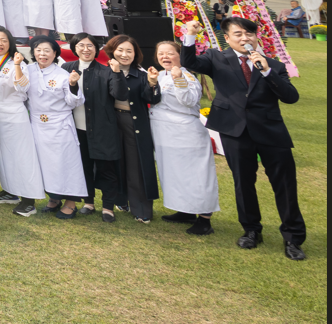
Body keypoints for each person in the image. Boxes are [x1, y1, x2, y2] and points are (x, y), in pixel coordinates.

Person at [181, 16, 304, 260]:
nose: (244, 38)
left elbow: (291, 97)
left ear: (256, 37)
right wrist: (190, 36)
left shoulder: (273, 65)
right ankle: (251, 230)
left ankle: (293, 238)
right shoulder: (217, 58)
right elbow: (189, 62)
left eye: (249, 33)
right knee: (243, 182)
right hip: (234, 130)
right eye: (238, 34)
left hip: (271, 131)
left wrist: (268, 72)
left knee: (285, 185)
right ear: (227, 38)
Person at [151, 38, 219, 236]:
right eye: (161, 53)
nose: (165, 57)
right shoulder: (159, 75)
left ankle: (205, 219)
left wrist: (179, 78)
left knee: (196, 176)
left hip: (186, 134)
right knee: (174, 175)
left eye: (170, 53)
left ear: (180, 55)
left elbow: (189, 101)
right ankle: (185, 210)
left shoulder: (188, 76)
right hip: (164, 134)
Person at [0, 27, 47, 216]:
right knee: (3, 156)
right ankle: (10, 191)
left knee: (22, 157)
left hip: (15, 115)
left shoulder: (16, 62)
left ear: (10, 42)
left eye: (3, 40)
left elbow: (23, 88)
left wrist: (18, 65)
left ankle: (29, 200)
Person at [62, 33, 122, 221]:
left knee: (106, 168)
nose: (86, 49)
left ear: (96, 49)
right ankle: (88, 202)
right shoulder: (66, 69)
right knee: (83, 167)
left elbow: (119, 94)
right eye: (81, 45)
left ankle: (108, 207)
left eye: (90, 46)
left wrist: (117, 73)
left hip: (102, 129)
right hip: (76, 130)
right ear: (74, 48)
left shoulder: (106, 71)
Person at [25, 35, 86, 219]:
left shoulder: (62, 75)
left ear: (55, 53)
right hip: (37, 125)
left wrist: (73, 84)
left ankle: (71, 203)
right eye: (38, 50)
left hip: (59, 126)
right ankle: (54, 198)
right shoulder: (27, 71)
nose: (42, 54)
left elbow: (74, 101)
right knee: (45, 164)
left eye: (47, 51)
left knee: (65, 163)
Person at [105, 35, 160, 223]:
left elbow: (152, 99)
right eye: (120, 50)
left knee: (136, 166)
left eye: (129, 50)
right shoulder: (105, 72)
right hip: (111, 123)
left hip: (133, 123)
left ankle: (141, 209)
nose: (124, 54)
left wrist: (152, 83)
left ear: (136, 53)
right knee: (116, 164)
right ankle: (121, 201)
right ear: (112, 51)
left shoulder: (142, 74)